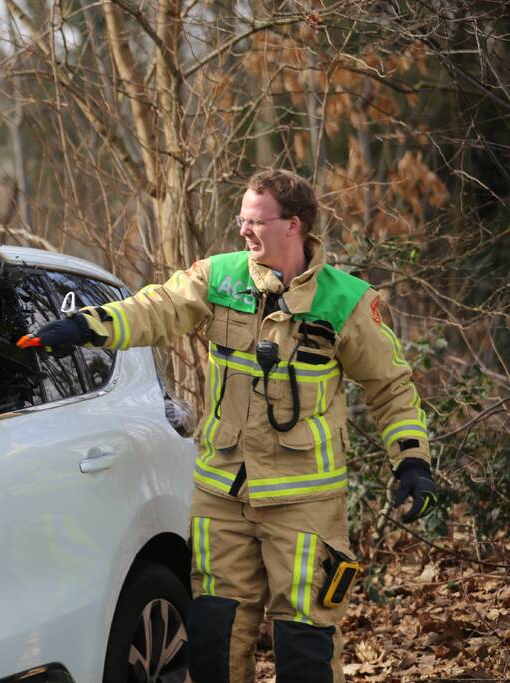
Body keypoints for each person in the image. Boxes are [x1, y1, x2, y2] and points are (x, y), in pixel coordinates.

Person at [27, 169, 438, 683]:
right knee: (214, 636)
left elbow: (390, 386)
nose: (243, 230)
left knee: (305, 642)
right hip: (223, 490)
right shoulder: (219, 276)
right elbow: (158, 308)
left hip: (305, 500)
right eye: (240, 219)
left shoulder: (347, 301)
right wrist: (91, 325)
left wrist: (412, 460)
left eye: (255, 221)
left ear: (295, 225)